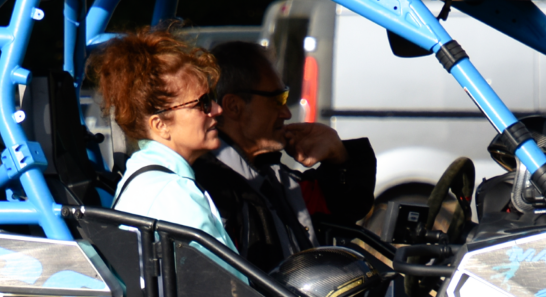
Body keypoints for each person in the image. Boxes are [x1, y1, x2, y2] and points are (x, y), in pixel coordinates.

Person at [193, 41, 376, 270]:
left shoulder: (273, 178)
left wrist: (338, 156)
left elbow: (345, 209)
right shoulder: (209, 193)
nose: (287, 113)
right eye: (278, 99)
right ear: (233, 106)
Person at [90, 27, 235, 247]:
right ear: (160, 125)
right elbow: (219, 271)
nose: (217, 109)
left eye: (212, 98)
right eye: (203, 103)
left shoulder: (150, 181)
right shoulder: (171, 193)